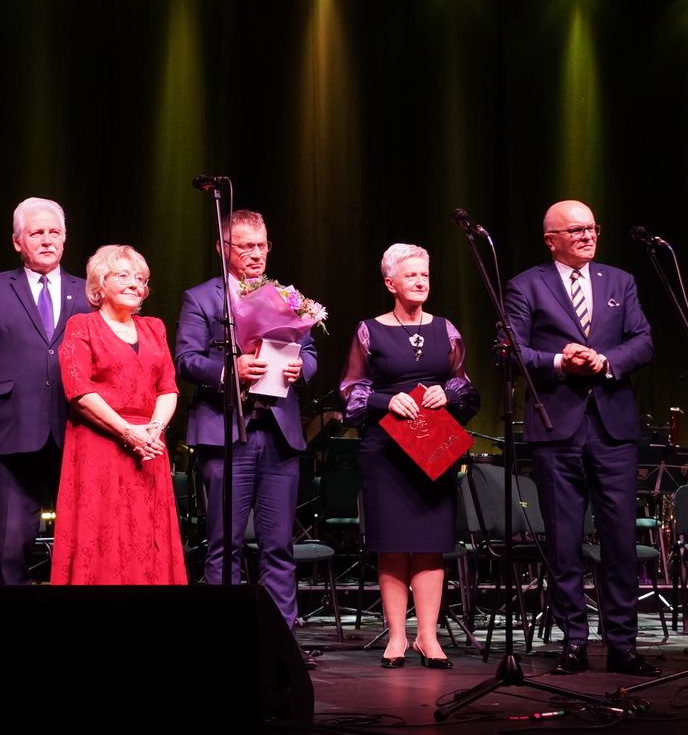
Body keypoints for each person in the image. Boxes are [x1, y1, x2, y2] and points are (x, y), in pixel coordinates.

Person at [502, 200, 658, 677]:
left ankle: (623, 644)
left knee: (620, 540)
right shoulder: (526, 285)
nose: (588, 236)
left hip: (613, 428)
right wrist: (559, 362)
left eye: (592, 228)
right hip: (557, 428)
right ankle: (573, 641)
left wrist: (605, 361)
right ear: (551, 240)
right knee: (564, 541)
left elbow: (643, 341)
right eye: (576, 230)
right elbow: (508, 351)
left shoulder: (620, 281)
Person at [175, 209, 316, 631]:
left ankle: (281, 637)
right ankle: (226, 637)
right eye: (246, 246)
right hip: (225, 433)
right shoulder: (202, 298)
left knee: (278, 546)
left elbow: (310, 353)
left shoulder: (286, 297)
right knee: (225, 544)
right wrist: (229, 370)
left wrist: (301, 369)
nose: (257, 254)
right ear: (223, 249)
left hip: (277, 434)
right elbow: (185, 359)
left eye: (262, 245)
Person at [340, 243, 478, 668]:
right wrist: (385, 401)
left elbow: (465, 385)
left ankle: (428, 636)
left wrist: (447, 392)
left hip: (432, 449)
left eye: (425, 275)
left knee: (431, 545)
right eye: (411, 275)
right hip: (386, 453)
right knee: (394, 545)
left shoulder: (446, 329)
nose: (420, 281)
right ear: (390, 283)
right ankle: (398, 636)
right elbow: (349, 393)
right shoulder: (369, 330)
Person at [0, 197, 88, 585]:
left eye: (55, 232)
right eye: (37, 233)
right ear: (17, 241)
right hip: (11, 433)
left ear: (64, 238)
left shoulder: (89, 293)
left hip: (76, 432)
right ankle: (9, 624)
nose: (47, 240)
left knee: (81, 544)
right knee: (12, 546)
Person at [51, 245, 185, 585]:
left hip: (149, 448)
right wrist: (127, 431)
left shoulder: (154, 328)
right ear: (100, 284)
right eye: (123, 276)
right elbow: (79, 391)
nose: (134, 284)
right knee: (103, 536)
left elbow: (168, 387)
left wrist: (154, 429)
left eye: (140, 279)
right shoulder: (82, 326)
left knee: (147, 536)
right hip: (100, 447)